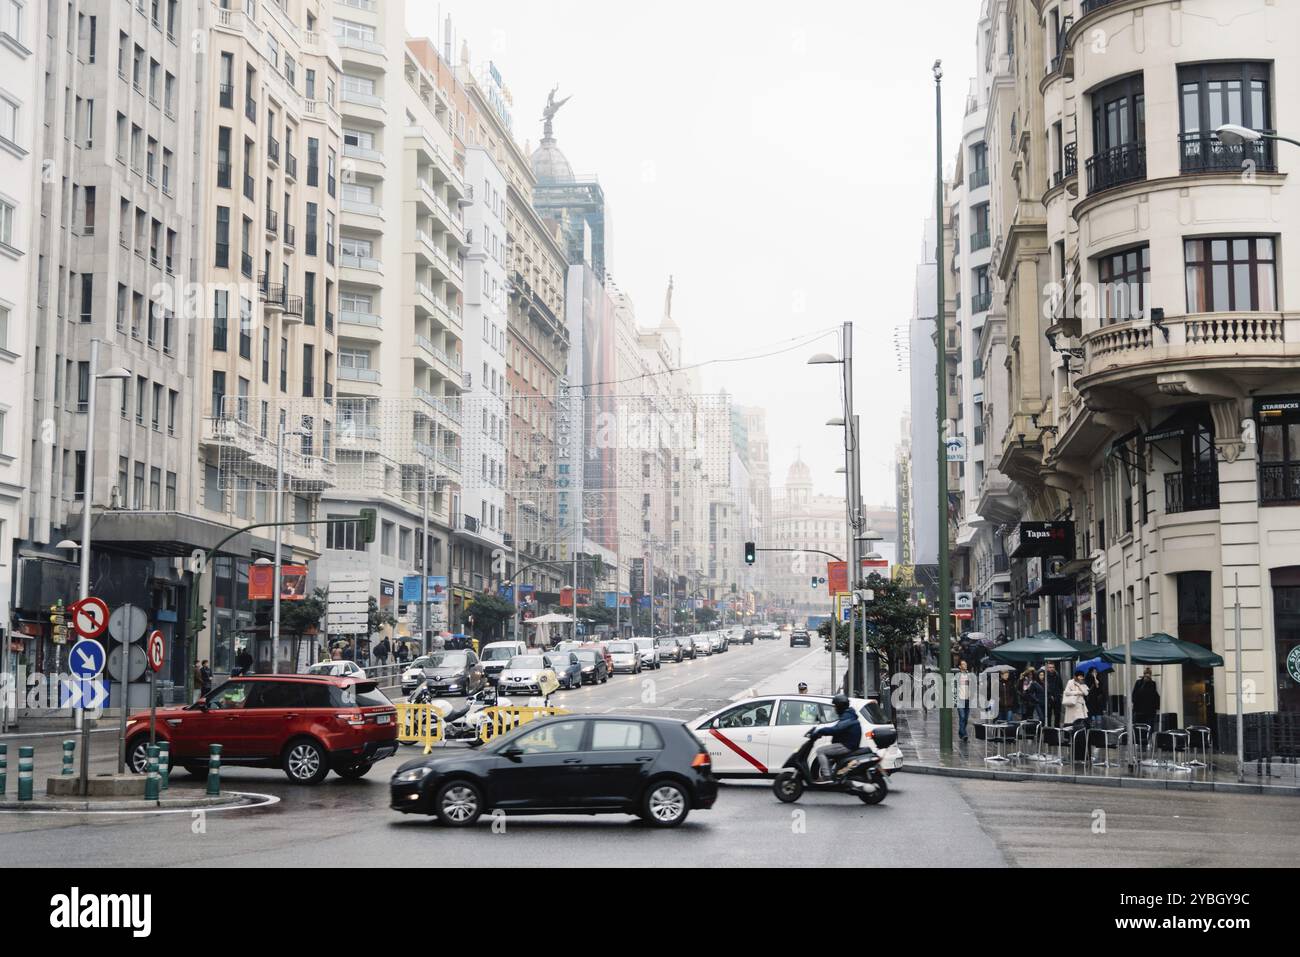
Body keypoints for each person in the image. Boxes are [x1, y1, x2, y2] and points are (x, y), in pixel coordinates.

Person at [809, 693, 862, 783]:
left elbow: (836, 729)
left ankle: (826, 776)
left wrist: (820, 731)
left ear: (840, 706)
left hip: (846, 745)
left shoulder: (847, 717)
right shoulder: (848, 715)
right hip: (847, 744)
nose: (835, 709)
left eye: (835, 706)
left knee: (820, 751)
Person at [1063, 668, 1091, 761]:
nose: (1081, 677)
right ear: (1076, 676)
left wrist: (1080, 686)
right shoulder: (1070, 682)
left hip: (1081, 708)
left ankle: (1082, 753)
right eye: (1079, 676)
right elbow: (1066, 692)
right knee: (1073, 726)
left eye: (1082, 676)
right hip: (1072, 707)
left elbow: (1086, 693)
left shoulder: (1083, 684)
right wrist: (1078, 692)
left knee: (1082, 726)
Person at [955, 660, 973, 742]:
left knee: (965, 718)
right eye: (963, 664)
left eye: (966, 664)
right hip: (960, 700)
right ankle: (964, 734)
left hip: (967, 700)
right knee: (962, 717)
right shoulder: (957, 676)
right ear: (960, 666)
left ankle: (961, 733)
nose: (965, 665)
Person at [1043, 662, 1064, 727]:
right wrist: (1049, 695)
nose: (1052, 669)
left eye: (1053, 667)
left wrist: (1060, 694)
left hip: (1057, 697)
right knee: (1048, 714)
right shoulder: (1045, 676)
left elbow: (1060, 686)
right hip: (1048, 698)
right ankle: (1049, 728)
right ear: (1047, 668)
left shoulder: (1057, 675)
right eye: (1050, 667)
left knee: (1057, 714)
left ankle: (1057, 727)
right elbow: (1044, 687)